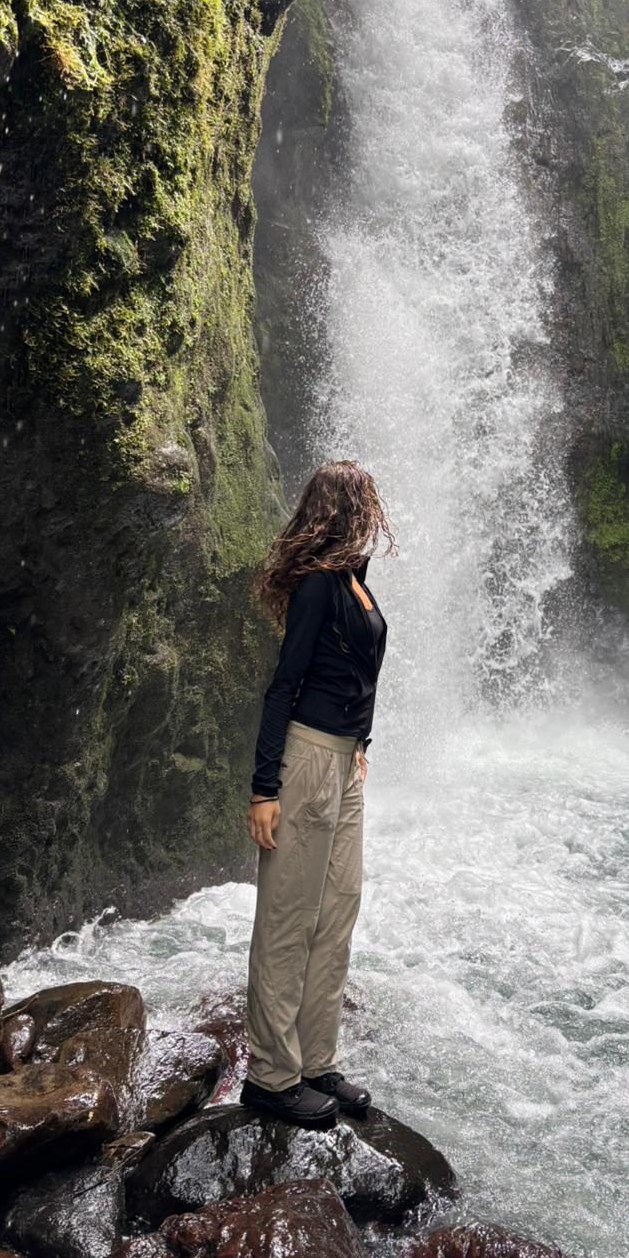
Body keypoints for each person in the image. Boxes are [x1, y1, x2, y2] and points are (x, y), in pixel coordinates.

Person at [240, 459, 393, 1129]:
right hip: (303, 761)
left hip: (344, 762)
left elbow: (358, 674)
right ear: (341, 509)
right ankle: (271, 1076)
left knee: (338, 909)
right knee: (288, 917)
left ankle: (315, 1061)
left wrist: (361, 744)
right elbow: (284, 686)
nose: (374, 513)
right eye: (365, 502)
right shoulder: (315, 589)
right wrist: (263, 788)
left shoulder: (354, 580)